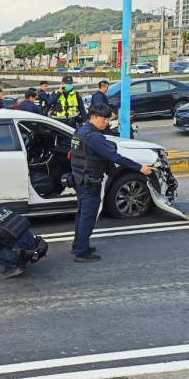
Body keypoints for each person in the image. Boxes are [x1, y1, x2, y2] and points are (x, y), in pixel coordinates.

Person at [69, 104, 156, 262]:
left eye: (108, 120)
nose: (106, 123)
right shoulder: (93, 136)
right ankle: (82, 252)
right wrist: (140, 167)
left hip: (80, 179)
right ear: (93, 117)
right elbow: (114, 156)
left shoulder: (80, 131)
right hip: (89, 181)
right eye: (103, 120)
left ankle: (78, 245)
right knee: (88, 216)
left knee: (82, 214)